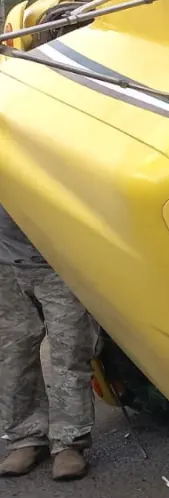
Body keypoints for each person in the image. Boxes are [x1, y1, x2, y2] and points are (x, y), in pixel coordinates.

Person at [0, 204, 98, 480]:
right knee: (12, 354)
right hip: (4, 264)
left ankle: (69, 442)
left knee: (68, 352)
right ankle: (25, 437)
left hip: (57, 261)